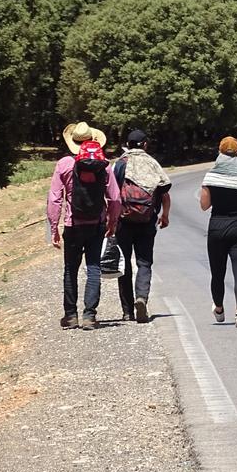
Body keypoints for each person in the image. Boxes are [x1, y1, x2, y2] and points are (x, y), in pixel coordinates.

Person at [47, 122, 120, 330]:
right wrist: (112, 222)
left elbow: (54, 199)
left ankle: (71, 316)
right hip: (96, 224)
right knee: (94, 268)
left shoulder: (64, 164)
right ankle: (90, 316)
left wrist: (54, 228)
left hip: (73, 224)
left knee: (70, 269)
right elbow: (114, 199)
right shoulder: (104, 165)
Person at [112, 129, 172, 323]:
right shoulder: (153, 163)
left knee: (124, 264)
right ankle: (142, 298)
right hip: (147, 220)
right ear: (145, 144)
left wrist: (110, 220)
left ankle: (127, 310)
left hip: (123, 220)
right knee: (144, 262)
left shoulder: (120, 164)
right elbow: (164, 192)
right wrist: (165, 215)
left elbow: (112, 194)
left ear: (128, 144)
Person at [199, 136, 237, 328]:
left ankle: (219, 308)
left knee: (217, 272)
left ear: (220, 152)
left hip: (217, 226)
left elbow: (204, 206)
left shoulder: (211, 176)